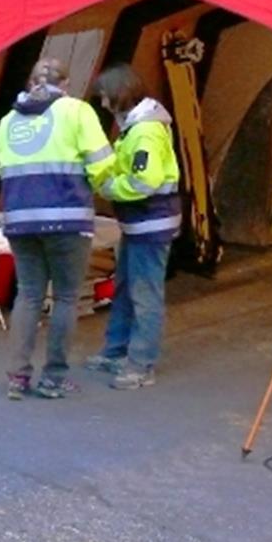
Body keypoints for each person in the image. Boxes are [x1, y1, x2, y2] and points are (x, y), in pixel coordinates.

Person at [0, 58, 115, 400]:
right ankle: (55, 377)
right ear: (65, 85)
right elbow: (102, 163)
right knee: (65, 297)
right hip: (67, 218)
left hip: (20, 219)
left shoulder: (7, 121)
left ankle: (17, 378)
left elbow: (2, 168)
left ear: (30, 82)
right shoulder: (76, 111)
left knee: (29, 294)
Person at [84, 63, 181, 390]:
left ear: (118, 94)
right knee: (126, 289)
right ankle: (115, 353)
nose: (102, 103)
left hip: (149, 225)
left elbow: (145, 179)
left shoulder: (145, 131)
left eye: (104, 97)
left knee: (144, 295)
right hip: (139, 225)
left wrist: (109, 188)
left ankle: (140, 364)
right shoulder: (136, 127)